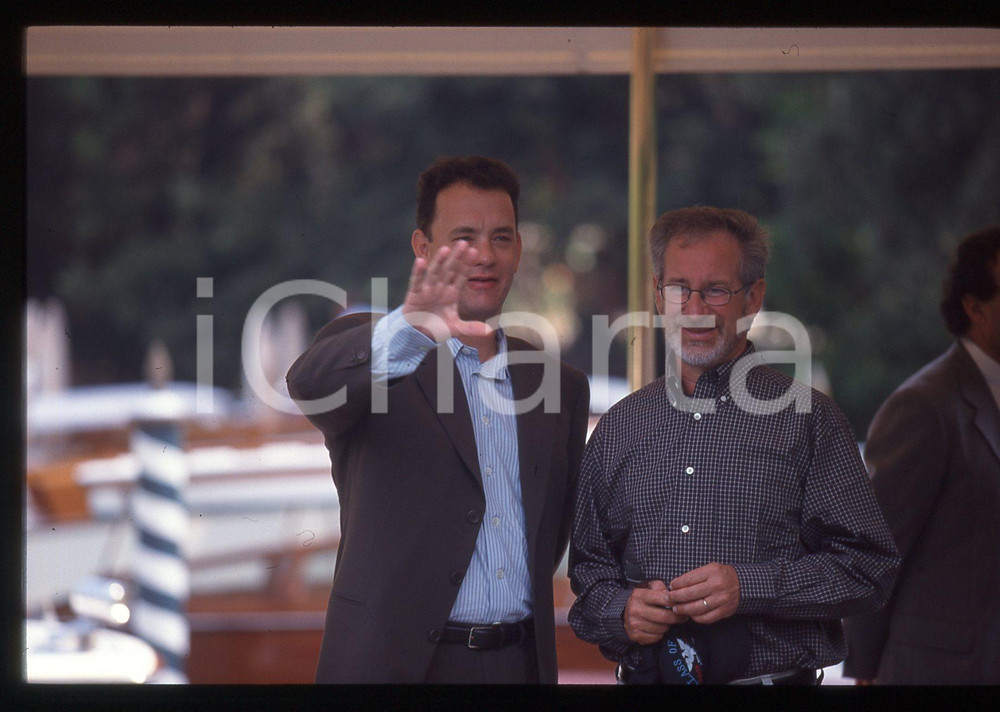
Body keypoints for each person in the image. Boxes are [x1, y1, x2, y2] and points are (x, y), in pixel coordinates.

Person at [286, 155, 590, 683]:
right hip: (394, 667)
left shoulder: (559, 385)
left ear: (518, 250)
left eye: (501, 237)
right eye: (463, 237)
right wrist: (415, 325)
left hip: (519, 664)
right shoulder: (378, 351)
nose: (484, 256)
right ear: (422, 248)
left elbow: (554, 536)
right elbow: (311, 386)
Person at [568, 206, 900, 685]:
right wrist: (622, 610)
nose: (697, 309)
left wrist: (750, 586)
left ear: (754, 297)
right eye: (680, 288)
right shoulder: (620, 425)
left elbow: (870, 568)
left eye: (717, 290)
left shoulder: (810, 420)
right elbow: (590, 572)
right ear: (660, 296)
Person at [844, 226, 1000, 685]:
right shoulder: (926, 405)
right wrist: (865, 670)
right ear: (975, 307)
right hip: (939, 671)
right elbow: (876, 550)